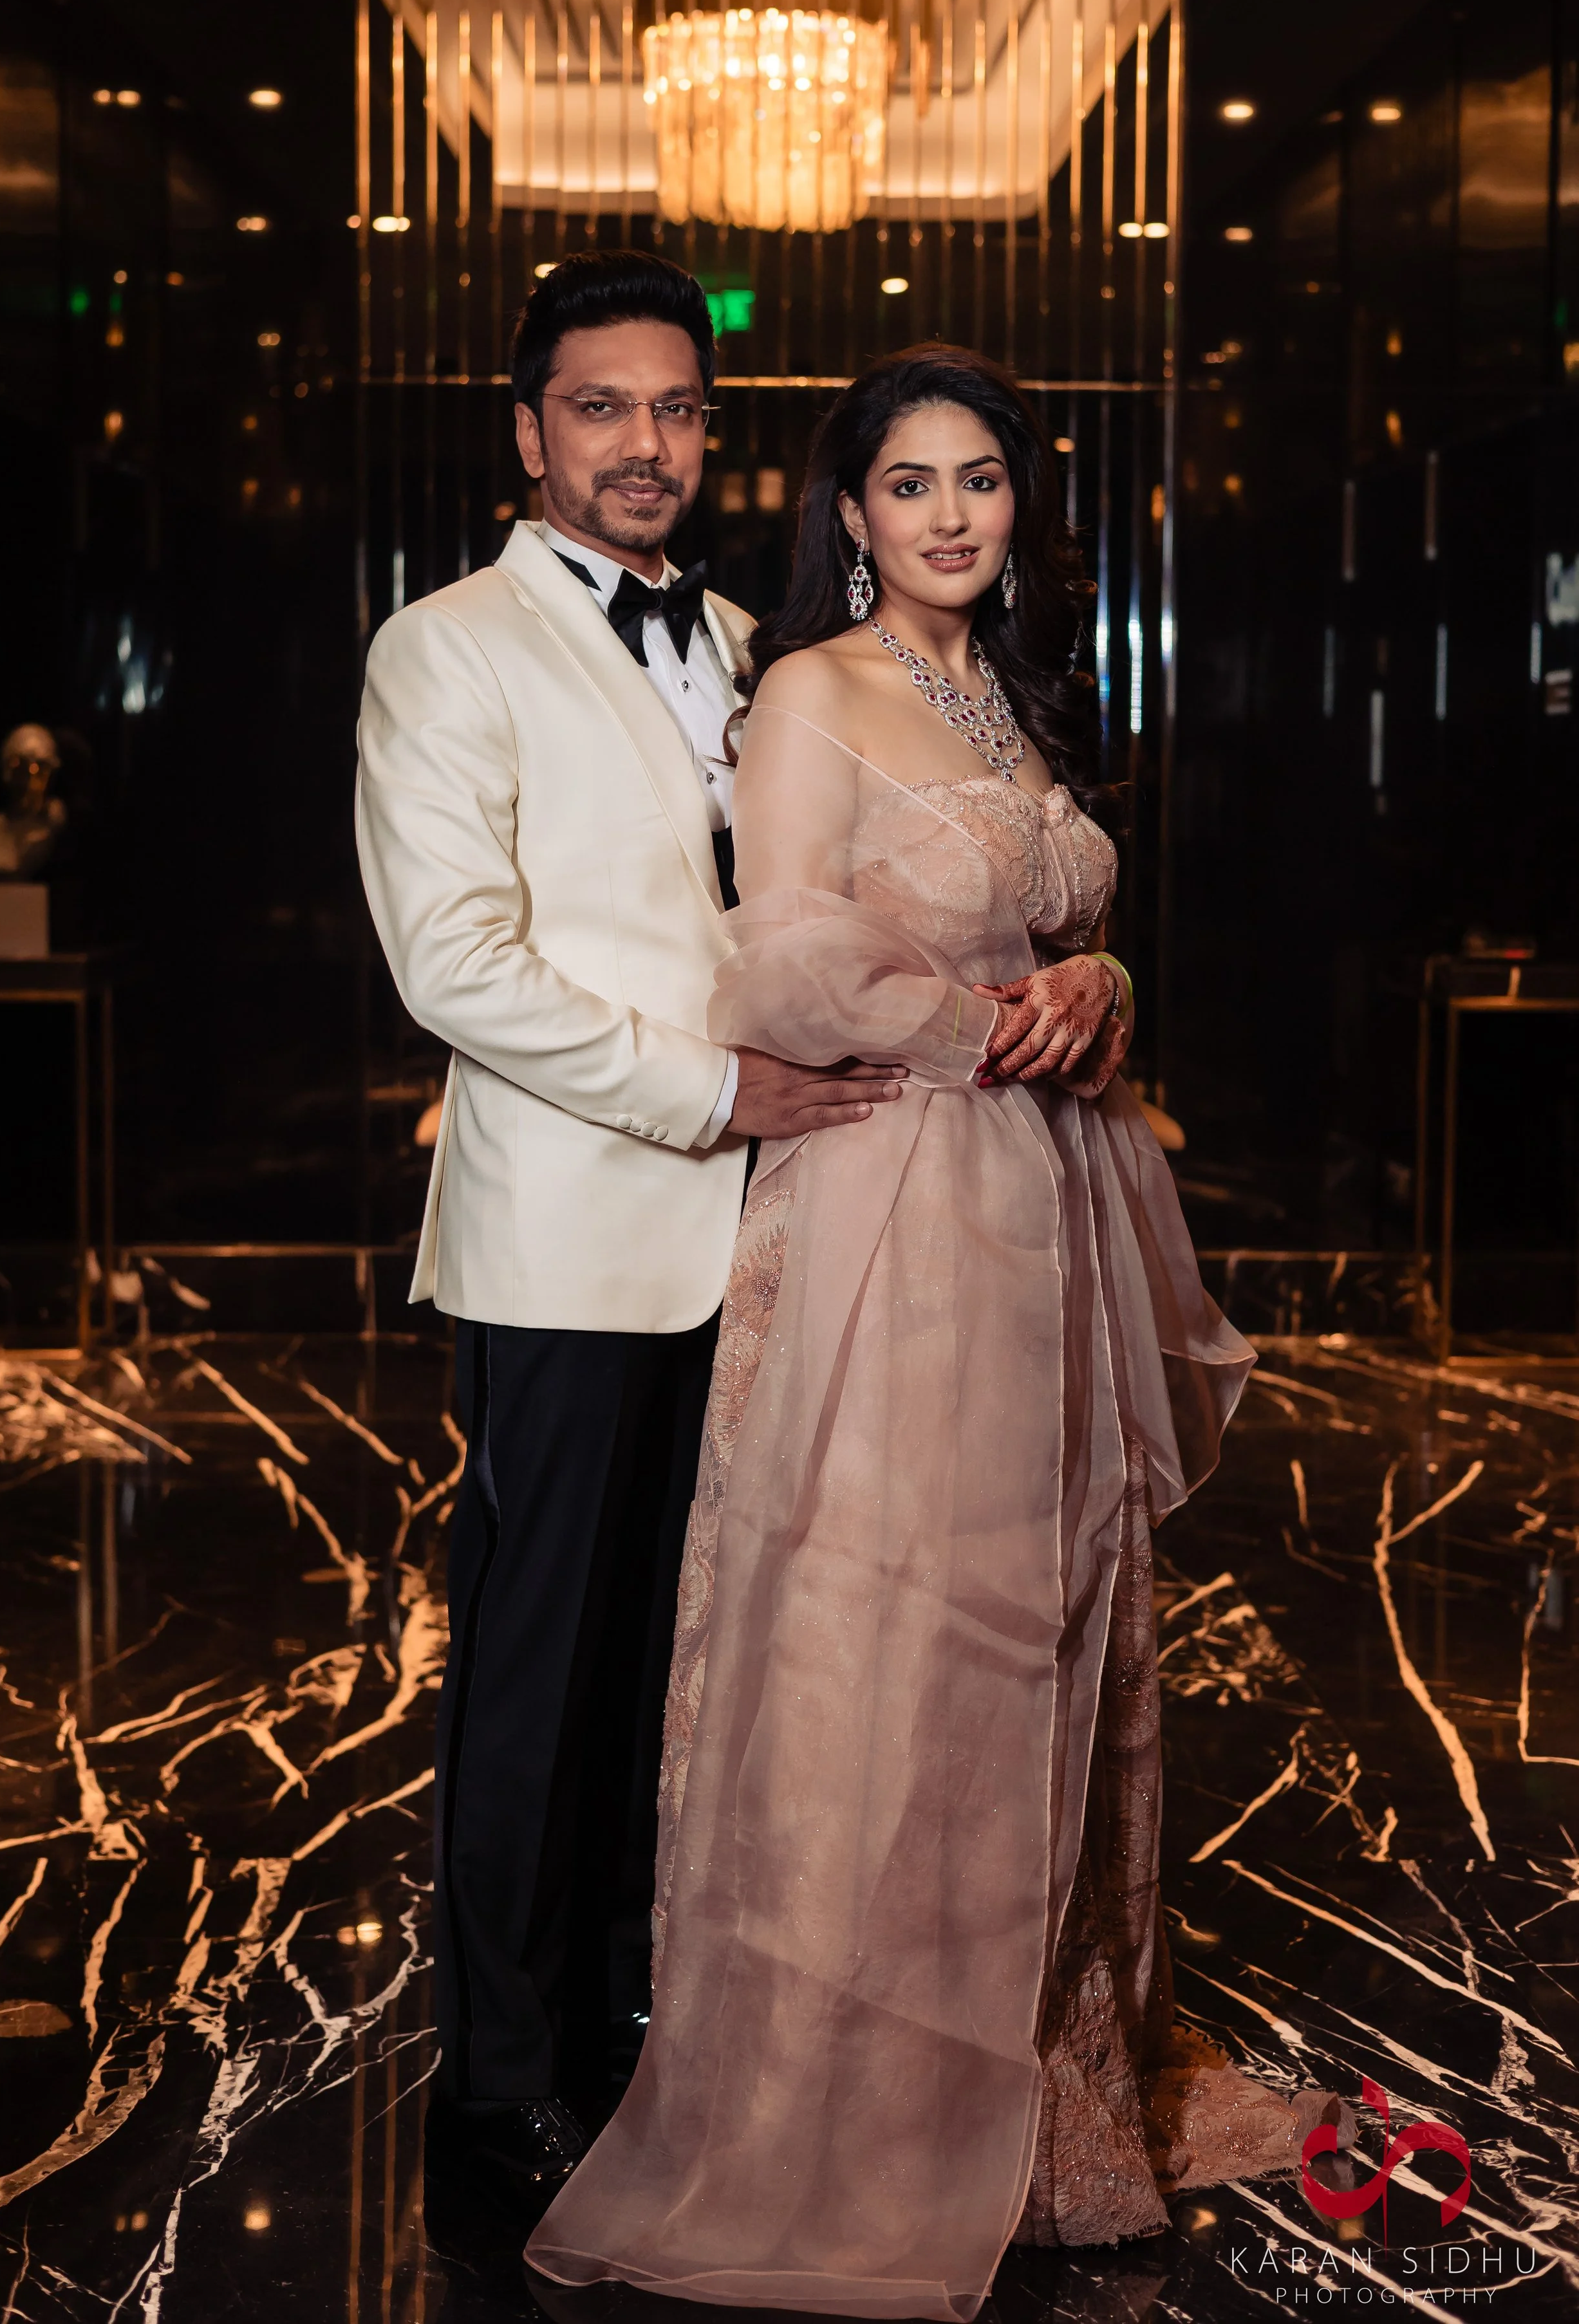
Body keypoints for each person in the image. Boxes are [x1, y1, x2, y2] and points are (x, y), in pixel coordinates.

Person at [527, 346, 1345, 2318]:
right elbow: (786, 941)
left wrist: (1100, 978)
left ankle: (1054, 2080)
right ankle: (865, 2106)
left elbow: (1049, 909)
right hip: (903, 1193)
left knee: (1048, 1611)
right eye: (909, 485)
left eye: (978, 479)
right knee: (896, 1623)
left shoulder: (1001, 690)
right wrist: (990, 1025)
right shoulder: (810, 688)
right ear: (848, 512)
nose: (950, 515)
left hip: (1044, 1199)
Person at [355, 252, 905, 2213]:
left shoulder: (759, 644)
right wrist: (712, 1094)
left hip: (774, 1247)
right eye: (602, 407)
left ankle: (622, 2030)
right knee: (537, 1674)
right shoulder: (447, 648)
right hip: (573, 1249)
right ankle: (499, 2082)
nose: (647, 443)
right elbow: (456, 967)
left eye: (677, 408)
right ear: (529, 430)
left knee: (692, 1671)